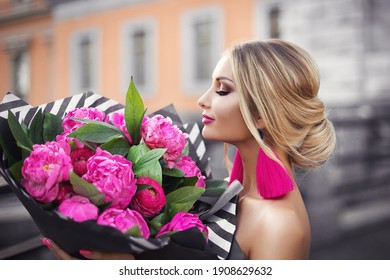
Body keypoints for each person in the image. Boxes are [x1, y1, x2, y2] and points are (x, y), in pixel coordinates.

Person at [43, 38, 336, 260]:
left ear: (262, 113)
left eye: (223, 90)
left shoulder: (277, 224)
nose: (203, 100)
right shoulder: (240, 195)